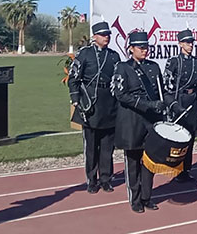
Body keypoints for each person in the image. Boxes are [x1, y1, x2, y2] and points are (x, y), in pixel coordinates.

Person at [112, 31, 166, 212]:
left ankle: (147, 196)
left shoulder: (154, 66)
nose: (145, 50)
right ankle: (135, 199)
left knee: (149, 161)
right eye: (141, 47)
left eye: (147, 47)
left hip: (150, 121)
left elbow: (161, 91)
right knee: (133, 161)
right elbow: (120, 95)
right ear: (131, 49)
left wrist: (169, 104)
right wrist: (147, 104)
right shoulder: (123, 67)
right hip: (132, 121)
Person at [68, 21, 121, 194]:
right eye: (103, 35)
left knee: (107, 146)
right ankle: (92, 179)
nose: (107, 37)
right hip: (90, 102)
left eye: (108, 35)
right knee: (91, 145)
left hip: (109, 104)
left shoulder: (114, 56)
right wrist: (76, 99)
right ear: (94, 36)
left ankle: (106, 178)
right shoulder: (85, 54)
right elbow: (74, 78)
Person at [163, 29, 197, 182]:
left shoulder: (196, 62)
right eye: (187, 42)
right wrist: (173, 105)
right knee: (178, 137)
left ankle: (186, 168)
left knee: (190, 136)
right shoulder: (173, 61)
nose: (190, 45)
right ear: (180, 44)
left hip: (192, 99)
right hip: (179, 99)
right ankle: (176, 168)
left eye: (191, 42)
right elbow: (167, 85)